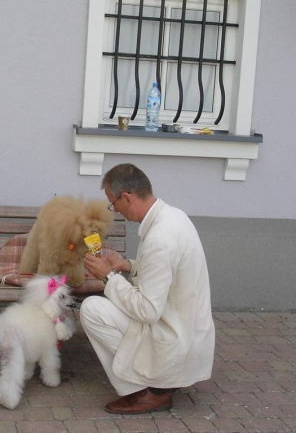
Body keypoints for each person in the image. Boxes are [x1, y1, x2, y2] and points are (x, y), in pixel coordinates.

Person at [81, 163, 215, 414]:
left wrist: (107, 276)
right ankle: (159, 382)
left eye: (113, 203)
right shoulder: (175, 216)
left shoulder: (159, 238)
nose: (115, 210)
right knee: (107, 304)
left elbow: (147, 310)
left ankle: (146, 392)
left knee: (91, 309)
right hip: (188, 336)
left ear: (127, 198)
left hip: (173, 342)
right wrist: (127, 265)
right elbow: (166, 271)